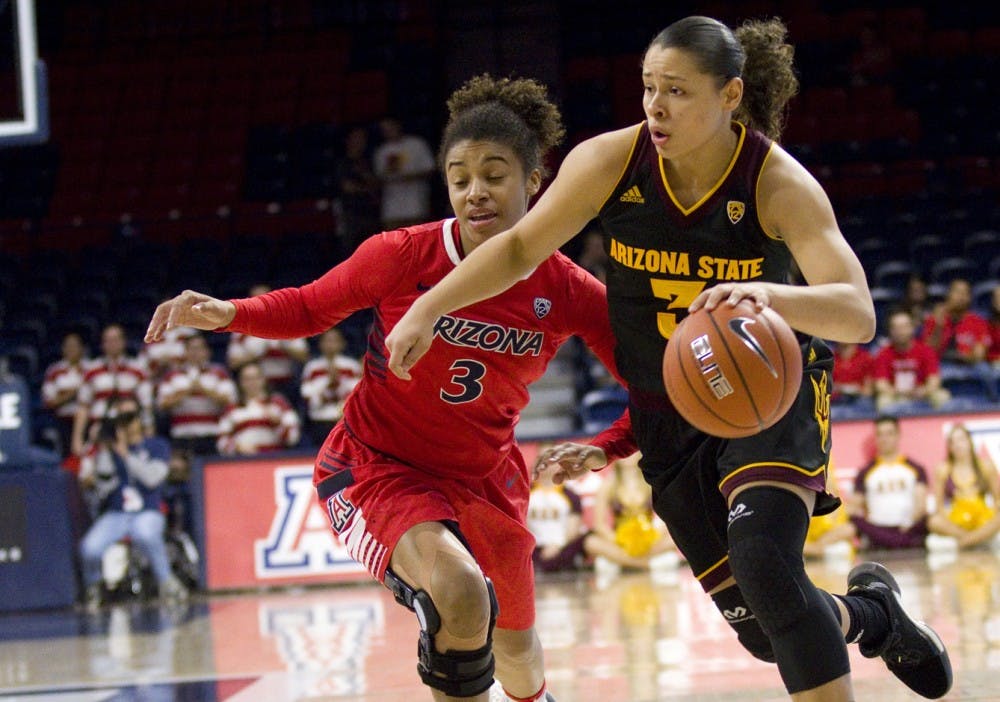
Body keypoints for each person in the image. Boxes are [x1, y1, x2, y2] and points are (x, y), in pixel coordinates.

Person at [385, 17, 952, 701]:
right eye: (650, 87)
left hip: (770, 391)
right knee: (765, 629)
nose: (656, 105)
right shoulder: (610, 163)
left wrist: (768, 296)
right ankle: (875, 616)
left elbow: (857, 311)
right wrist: (429, 306)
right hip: (669, 411)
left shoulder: (777, 184)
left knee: (767, 567)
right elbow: (516, 249)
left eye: (678, 90)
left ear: (731, 94)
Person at [145, 74, 638, 702]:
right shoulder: (403, 253)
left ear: (535, 183)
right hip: (380, 465)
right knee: (460, 597)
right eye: (460, 177)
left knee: (518, 651)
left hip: (487, 475)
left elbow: (655, 389)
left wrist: (611, 445)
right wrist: (230, 313)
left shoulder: (566, 288)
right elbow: (308, 307)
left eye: (494, 174)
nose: (475, 191)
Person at [77, 396, 188, 610]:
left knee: (144, 533)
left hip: (148, 510)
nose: (126, 424)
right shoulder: (111, 450)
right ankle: (94, 587)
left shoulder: (157, 445)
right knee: (89, 548)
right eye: (121, 419)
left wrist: (126, 455)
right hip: (118, 513)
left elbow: (152, 478)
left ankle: (167, 581)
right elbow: (103, 486)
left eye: (130, 418)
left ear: (140, 420)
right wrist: (104, 449)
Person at [583, 453, 677, 576]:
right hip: (620, 540)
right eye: (622, 452)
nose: (626, 456)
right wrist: (619, 541)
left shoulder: (650, 482)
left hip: (649, 539)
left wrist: (653, 536)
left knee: (674, 538)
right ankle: (643, 564)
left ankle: (625, 562)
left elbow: (668, 516)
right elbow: (599, 525)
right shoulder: (607, 485)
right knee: (591, 542)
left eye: (630, 452)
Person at [71, 323, 154, 457]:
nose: (112, 344)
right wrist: (77, 439)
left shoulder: (138, 370)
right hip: (99, 431)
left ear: (123, 342)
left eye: (116, 340)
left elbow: (146, 406)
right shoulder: (92, 371)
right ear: (103, 344)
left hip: (130, 433)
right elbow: (83, 407)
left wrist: (149, 432)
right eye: (108, 340)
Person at [849, 415, 930, 550]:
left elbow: (921, 504)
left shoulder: (916, 468)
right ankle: (893, 541)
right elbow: (854, 506)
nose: (884, 439)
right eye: (880, 434)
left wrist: (909, 522)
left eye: (889, 434)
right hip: (877, 529)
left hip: (908, 528)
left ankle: (897, 541)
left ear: (898, 435)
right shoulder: (865, 472)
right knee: (853, 521)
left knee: (929, 520)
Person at [156, 332, 238, 456]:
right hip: (181, 435)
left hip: (211, 435)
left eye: (199, 348)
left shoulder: (219, 373)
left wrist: (203, 389)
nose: (195, 353)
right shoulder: (172, 375)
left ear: (207, 351)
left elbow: (230, 400)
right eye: (192, 349)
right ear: (185, 352)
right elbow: (162, 404)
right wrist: (187, 391)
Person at [226, 283, 310, 398]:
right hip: (254, 385)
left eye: (265, 298)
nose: (261, 303)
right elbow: (233, 362)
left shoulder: (288, 322)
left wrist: (284, 346)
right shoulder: (240, 328)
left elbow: (304, 356)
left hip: (286, 384)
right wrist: (257, 353)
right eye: (257, 299)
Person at [926, 423, 1000, 551]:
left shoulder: (986, 466)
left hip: (982, 516)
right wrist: (947, 519)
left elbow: (997, 499)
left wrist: (992, 516)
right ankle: (975, 540)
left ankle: (965, 542)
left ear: (970, 441)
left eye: (961, 439)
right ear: (949, 447)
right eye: (952, 442)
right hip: (957, 519)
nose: (958, 445)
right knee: (934, 521)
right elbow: (939, 506)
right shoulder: (943, 469)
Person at [873, 309, 950, 413]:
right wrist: (897, 392)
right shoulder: (883, 354)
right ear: (890, 331)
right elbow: (880, 384)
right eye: (896, 328)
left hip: (922, 393)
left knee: (942, 396)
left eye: (904, 327)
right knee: (883, 401)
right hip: (896, 394)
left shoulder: (926, 351)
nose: (900, 331)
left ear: (912, 328)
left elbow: (934, 380)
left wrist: (923, 391)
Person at [215, 362, 301, 456]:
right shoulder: (232, 408)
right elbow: (221, 442)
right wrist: (237, 447)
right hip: (243, 462)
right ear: (241, 382)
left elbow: (293, 437)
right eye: (247, 379)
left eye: (256, 377)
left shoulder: (279, 403)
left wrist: (277, 423)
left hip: (274, 459)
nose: (252, 382)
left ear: (263, 379)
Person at [299, 327, 362, 447]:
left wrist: (338, 383)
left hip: (344, 420)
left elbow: (356, 392)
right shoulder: (312, 367)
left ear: (342, 343)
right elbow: (306, 393)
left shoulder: (351, 366)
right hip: (320, 420)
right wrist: (328, 383)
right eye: (327, 341)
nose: (330, 345)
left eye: (334, 340)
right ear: (321, 344)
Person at [373, 115, 436, 230]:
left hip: (415, 204)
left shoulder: (416, 144)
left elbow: (430, 169)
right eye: (384, 130)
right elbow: (378, 177)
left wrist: (411, 177)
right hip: (391, 207)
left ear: (398, 126)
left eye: (390, 127)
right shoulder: (381, 151)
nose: (388, 132)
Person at [41, 331, 92, 458]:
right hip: (63, 420)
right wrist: (73, 394)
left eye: (74, 346)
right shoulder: (54, 370)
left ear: (81, 348)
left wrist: (66, 394)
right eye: (68, 346)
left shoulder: (90, 368)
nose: (71, 350)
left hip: (88, 420)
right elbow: (49, 401)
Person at [333, 124, 382, 253]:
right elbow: (348, 187)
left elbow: (377, 184)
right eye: (356, 138)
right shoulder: (342, 163)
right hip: (350, 215)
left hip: (370, 214)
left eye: (362, 138)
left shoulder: (369, 161)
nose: (360, 142)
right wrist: (367, 188)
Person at [830, 341, 874, 411]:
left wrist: (853, 389)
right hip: (835, 401)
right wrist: (839, 388)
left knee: (865, 404)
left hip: (858, 400)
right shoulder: (829, 358)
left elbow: (868, 391)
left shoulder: (865, 358)